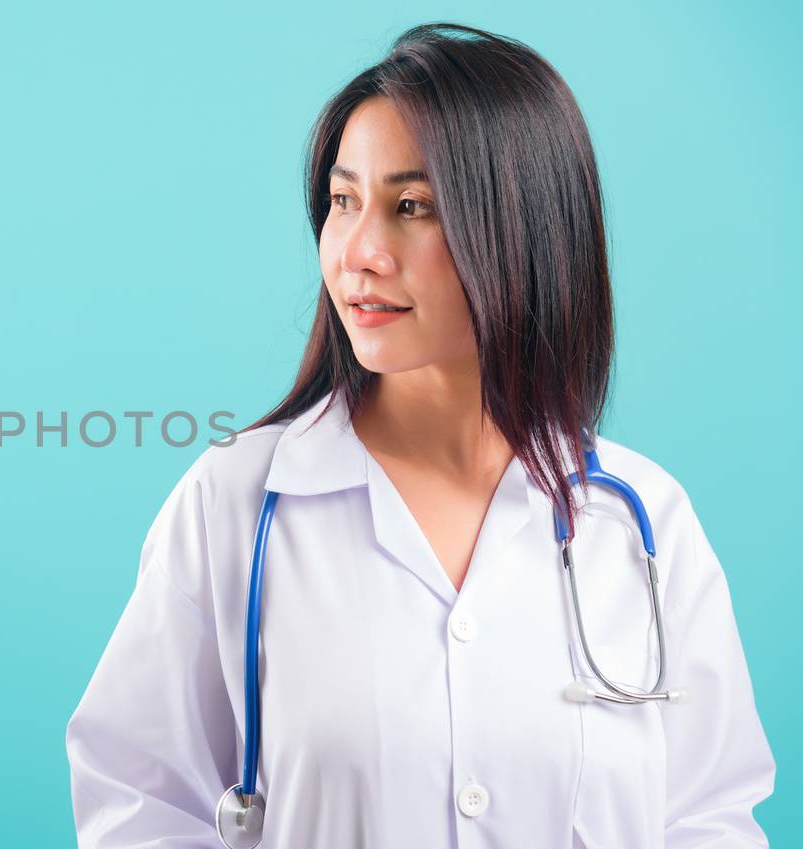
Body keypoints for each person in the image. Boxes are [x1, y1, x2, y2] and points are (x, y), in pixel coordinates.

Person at [63, 22, 774, 848]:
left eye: (412, 207)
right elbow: (136, 803)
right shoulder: (234, 505)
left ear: (522, 228)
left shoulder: (645, 522)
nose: (359, 252)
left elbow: (709, 816)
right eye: (342, 201)